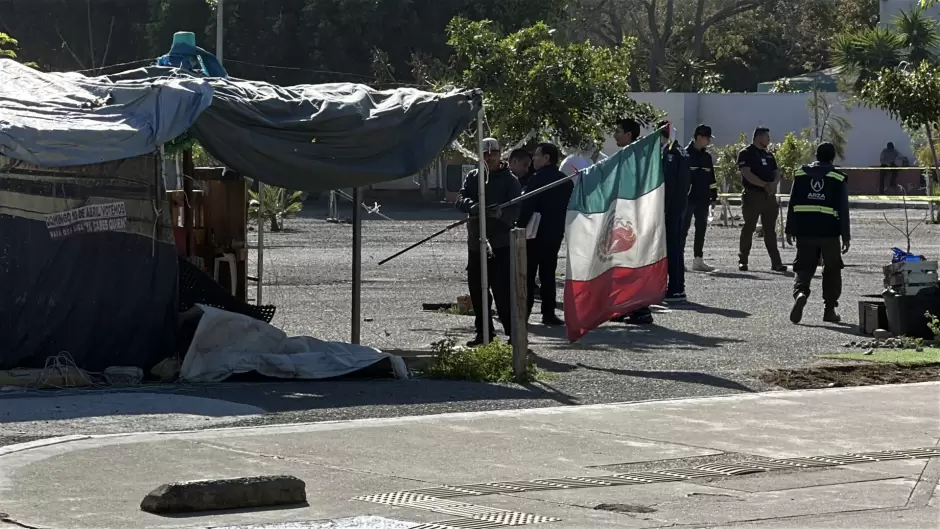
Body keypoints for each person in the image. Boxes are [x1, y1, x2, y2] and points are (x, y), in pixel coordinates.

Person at [455, 138, 522, 345]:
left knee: (502, 290)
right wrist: (472, 206)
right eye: (485, 153)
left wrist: (500, 214)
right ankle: (484, 333)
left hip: (500, 243)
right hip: (477, 243)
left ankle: (513, 335)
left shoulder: (510, 180)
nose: (489, 156)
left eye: (493, 152)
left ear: (500, 154)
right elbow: (460, 199)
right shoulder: (473, 177)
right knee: (477, 289)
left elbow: (516, 209)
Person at [785, 142, 850, 324]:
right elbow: (843, 208)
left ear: (816, 155)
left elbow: (792, 202)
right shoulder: (837, 177)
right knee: (832, 270)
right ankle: (829, 310)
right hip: (829, 232)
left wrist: (789, 229)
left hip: (805, 230)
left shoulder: (801, 174)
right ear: (833, 157)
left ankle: (801, 293)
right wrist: (846, 236)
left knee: (804, 267)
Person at [518, 142, 573, 326]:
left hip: (534, 234)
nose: (534, 159)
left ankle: (524, 314)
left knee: (528, 275)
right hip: (554, 233)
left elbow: (527, 206)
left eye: (536, 156)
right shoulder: (565, 180)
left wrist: (519, 227)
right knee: (548, 274)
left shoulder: (536, 179)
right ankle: (548, 313)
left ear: (547, 158)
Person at [609, 117, 654, 325]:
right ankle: (625, 306)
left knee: (634, 263)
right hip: (623, 220)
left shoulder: (636, 156)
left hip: (633, 220)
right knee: (622, 263)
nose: (615, 135)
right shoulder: (626, 155)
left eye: (618, 131)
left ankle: (641, 308)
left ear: (628, 134)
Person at [737, 127, 787, 273]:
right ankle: (743, 260)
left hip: (769, 197)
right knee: (749, 227)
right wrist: (763, 184)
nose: (769, 140)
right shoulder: (746, 153)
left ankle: (776, 263)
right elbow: (746, 173)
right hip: (753, 195)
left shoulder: (769, 155)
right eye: (767, 137)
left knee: (770, 230)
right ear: (758, 137)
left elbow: (776, 172)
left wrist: (773, 184)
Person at [659, 120, 691, 301]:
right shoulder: (682, 151)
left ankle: (675, 287)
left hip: (671, 206)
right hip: (681, 204)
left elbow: (669, 183)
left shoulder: (670, 152)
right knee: (676, 246)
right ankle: (678, 285)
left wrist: (663, 206)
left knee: (672, 247)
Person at [684, 124, 718, 273]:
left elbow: (711, 177)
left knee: (701, 229)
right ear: (699, 137)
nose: (709, 141)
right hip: (687, 199)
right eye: (707, 138)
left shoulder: (706, 157)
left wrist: (714, 195)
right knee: (682, 229)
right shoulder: (685, 155)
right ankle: (678, 259)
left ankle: (698, 259)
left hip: (703, 199)